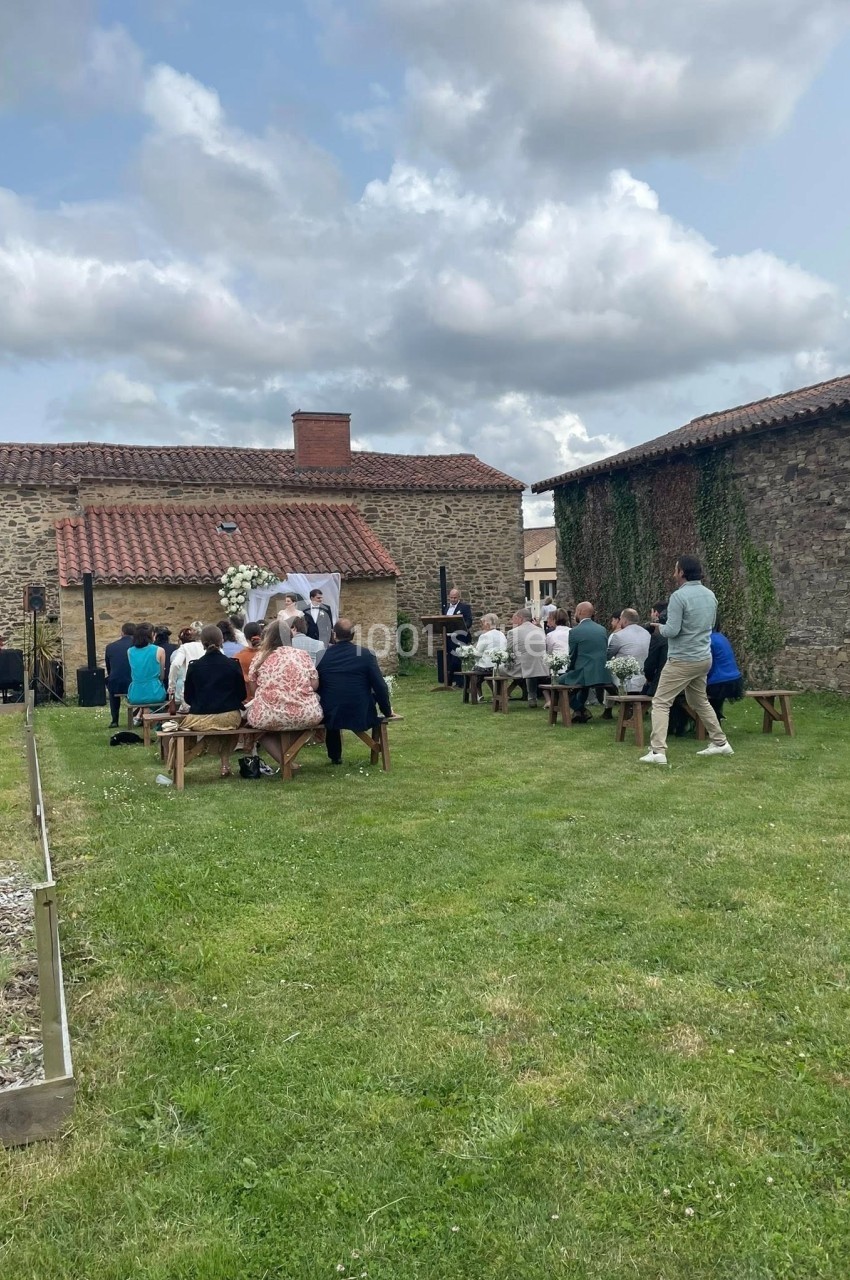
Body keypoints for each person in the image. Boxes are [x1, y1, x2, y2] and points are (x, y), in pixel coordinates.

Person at [641, 555, 733, 764]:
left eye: (676, 570)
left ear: (682, 572)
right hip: (703, 658)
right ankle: (720, 743)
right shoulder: (710, 595)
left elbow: (672, 630)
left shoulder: (678, 597)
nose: (674, 573)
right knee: (699, 700)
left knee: (660, 702)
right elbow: (710, 625)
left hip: (682, 659)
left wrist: (658, 628)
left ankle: (657, 752)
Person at [172, 624, 246, 778]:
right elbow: (242, 694)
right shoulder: (232, 664)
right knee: (227, 725)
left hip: (201, 716)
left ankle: (184, 760)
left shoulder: (195, 667)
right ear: (221, 641)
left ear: (202, 643)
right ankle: (224, 764)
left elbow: (188, 698)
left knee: (182, 727)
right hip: (229, 716)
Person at [246, 621, 323, 764]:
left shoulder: (259, 657)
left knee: (258, 730)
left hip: (268, 715)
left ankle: (285, 761)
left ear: (267, 637)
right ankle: (288, 760)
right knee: (301, 723)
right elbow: (314, 685)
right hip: (305, 713)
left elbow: (253, 689)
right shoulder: (302, 655)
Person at [317, 619, 392, 765]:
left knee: (333, 699)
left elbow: (318, 685)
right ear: (353, 634)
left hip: (331, 713)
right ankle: (371, 749)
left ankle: (335, 756)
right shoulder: (366, 654)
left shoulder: (323, 656)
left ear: (334, 634)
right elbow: (380, 686)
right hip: (361, 711)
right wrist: (387, 711)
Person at [556, 601, 610, 722]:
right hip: (602, 673)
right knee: (583, 686)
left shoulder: (575, 631)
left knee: (559, 682)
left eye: (575, 611)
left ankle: (581, 709)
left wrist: (569, 671)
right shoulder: (602, 629)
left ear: (579, 612)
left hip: (585, 672)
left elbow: (572, 656)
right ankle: (579, 714)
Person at [506, 608, 549, 708]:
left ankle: (501, 696)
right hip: (542, 666)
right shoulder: (540, 630)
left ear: (520, 618)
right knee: (531, 667)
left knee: (498, 669)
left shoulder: (513, 632)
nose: (513, 621)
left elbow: (509, 652)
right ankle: (531, 698)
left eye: (514, 619)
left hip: (523, 667)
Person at [706, 625, 744, 722]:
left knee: (688, 696)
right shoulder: (721, 637)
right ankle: (715, 720)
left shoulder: (707, 640)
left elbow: (708, 665)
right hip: (735, 680)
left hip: (720, 683)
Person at [607, 608, 650, 692]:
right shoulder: (647, 634)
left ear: (625, 620)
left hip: (625, 681)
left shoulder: (618, 636)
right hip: (644, 679)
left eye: (621, 619)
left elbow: (608, 656)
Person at [127, 623, 167, 710]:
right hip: (155, 692)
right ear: (152, 635)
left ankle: (141, 714)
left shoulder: (130, 651)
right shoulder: (159, 650)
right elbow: (162, 676)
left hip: (135, 693)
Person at [104, 621, 136, 727]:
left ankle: (114, 720)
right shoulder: (137, 646)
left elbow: (109, 667)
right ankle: (138, 716)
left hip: (115, 682)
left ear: (122, 632)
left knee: (112, 682)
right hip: (133, 682)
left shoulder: (110, 647)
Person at [168, 625, 205, 707]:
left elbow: (175, 664)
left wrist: (171, 687)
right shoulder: (203, 646)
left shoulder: (184, 648)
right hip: (204, 688)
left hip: (188, 690)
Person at [445, 587, 473, 687]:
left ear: (459, 597)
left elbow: (469, 621)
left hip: (459, 637)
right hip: (448, 637)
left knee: (456, 660)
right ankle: (454, 681)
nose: (453, 599)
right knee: (450, 659)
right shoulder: (446, 608)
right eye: (451, 598)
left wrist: (462, 627)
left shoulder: (464, 607)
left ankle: (454, 681)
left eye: (455, 598)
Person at [470, 614, 507, 688]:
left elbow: (478, 653)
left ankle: (476, 693)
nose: (481, 626)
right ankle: (495, 692)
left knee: (473, 671)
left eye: (482, 623)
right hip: (500, 666)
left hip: (487, 667)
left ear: (487, 624)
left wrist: (470, 651)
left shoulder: (484, 636)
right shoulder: (501, 634)